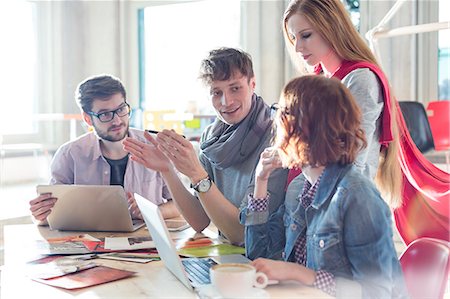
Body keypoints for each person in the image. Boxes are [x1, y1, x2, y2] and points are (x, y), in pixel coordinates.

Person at [282, 0, 449, 244]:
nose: (298, 47)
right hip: (317, 210)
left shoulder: (360, 80)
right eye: (293, 37)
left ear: (331, 27)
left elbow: (351, 165)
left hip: (342, 216)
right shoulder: (319, 80)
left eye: (306, 35)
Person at [242, 75, 408, 298]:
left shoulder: (357, 196)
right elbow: (259, 254)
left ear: (299, 129)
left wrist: (299, 274)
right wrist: (260, 181)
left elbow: (378, 292)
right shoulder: (300, 188)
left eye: (279, 112)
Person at [123, 47, 288, 245]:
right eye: (216, 92)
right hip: (228, 255)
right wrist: (167, 170)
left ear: (252, 84)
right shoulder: (212, 136)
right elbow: (200, 220)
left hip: (264, 260)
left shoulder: (277, 136)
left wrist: (197, 174)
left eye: (235, 88)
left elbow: (242, 234)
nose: (226, 101)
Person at [29, 74, 180, 225]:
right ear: (88, 119)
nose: (117, 120)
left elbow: (179, 205)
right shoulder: (70, 155)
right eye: (105, 114)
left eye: (121, 109)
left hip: (147, 240)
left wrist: (152, 212)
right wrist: (41, 214)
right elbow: (52, 214)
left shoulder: (154, 147)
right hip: (90, 242)